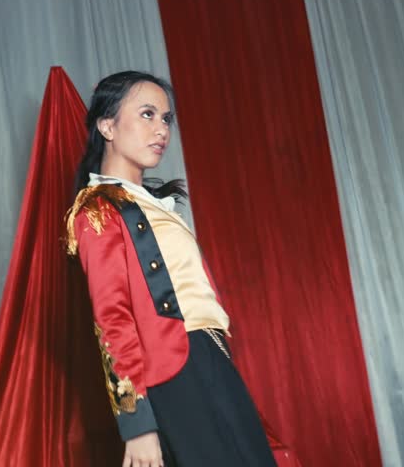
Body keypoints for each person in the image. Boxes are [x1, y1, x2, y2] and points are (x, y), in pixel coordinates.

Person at [65, 71, 276, 467]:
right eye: (147, 114)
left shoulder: (150, 204)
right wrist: (136, 423)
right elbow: (112, 317)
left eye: (166, 118)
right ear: (107, 125)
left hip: (208, 353)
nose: (161, 129)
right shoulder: (98, 208)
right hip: (174, 366)